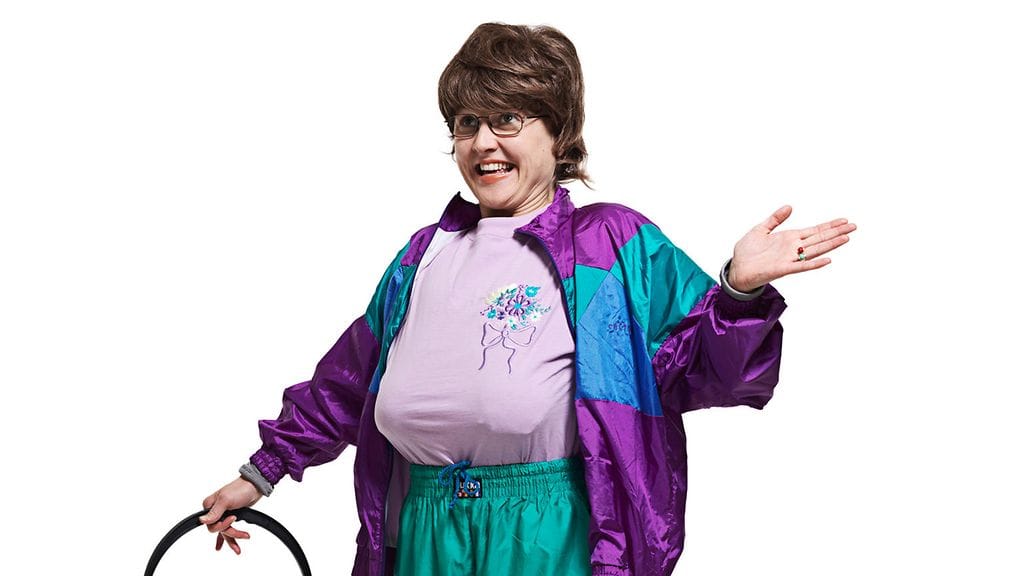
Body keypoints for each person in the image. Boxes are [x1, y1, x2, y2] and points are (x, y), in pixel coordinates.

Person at [197, 22, 856, 576]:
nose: (483, 143)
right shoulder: (422, 256)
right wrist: (259, 475)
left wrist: (738, 290)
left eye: (507, 119)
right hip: (424, 531)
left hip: (550, 531)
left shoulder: (610, 245)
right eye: (467, 123)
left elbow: (716, 371)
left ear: (557, 132)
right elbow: (344, 385)